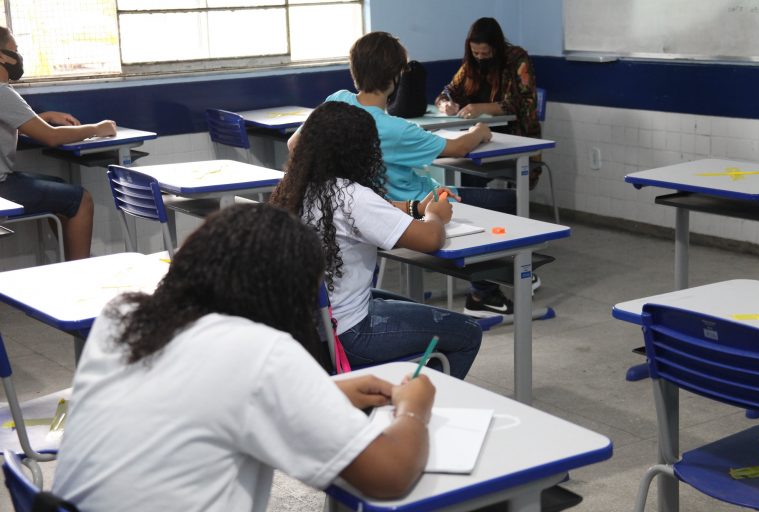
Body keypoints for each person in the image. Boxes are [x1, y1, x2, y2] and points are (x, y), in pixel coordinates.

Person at [52, 203, 436, 511]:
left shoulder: (120, 317)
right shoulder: (259, 351)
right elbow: (390, 476)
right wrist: (414, 408)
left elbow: (197, 400)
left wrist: (324, 393)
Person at [288, 31, 518, 318]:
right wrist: (480, 131)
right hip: (411, 207)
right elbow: (458, 147)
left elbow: (294, 144)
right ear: (396, 77)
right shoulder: (396, 129)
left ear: (354, 70)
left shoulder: (337, 100)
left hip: (383, 210)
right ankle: (486, 290)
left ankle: (486, 288)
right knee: (510, 203)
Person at [272, 101, 482, 379]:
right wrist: (434, 214)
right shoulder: (353, 195)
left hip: (316, 326)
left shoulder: (299, 187)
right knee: (468, 333)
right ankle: (419, 402)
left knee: (408, 306)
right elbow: (431, 239)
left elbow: (369, 212)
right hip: (351, 334)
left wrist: (416, 208)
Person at [0, 27, 117, 260]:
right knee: (80, 199)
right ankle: (79, 270)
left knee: (60, 187)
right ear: (2, 56)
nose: (18, 57)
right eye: (15, 50)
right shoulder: (2, 93)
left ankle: (69, 261)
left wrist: (45, 117)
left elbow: (12, 126)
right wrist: (97, 128)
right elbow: (51, 137)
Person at [435, 17, 542, 186]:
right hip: (477, 140)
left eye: (485, 53)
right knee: (444, 164)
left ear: (497, 47)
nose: (480, 57)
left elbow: (525, 103)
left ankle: (478, 207)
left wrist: (482, 108)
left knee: (466, 176)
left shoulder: (516, 59)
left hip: (511, 137)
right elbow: (447, 92)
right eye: (475, 53)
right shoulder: (471, 65)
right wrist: (445, 104)